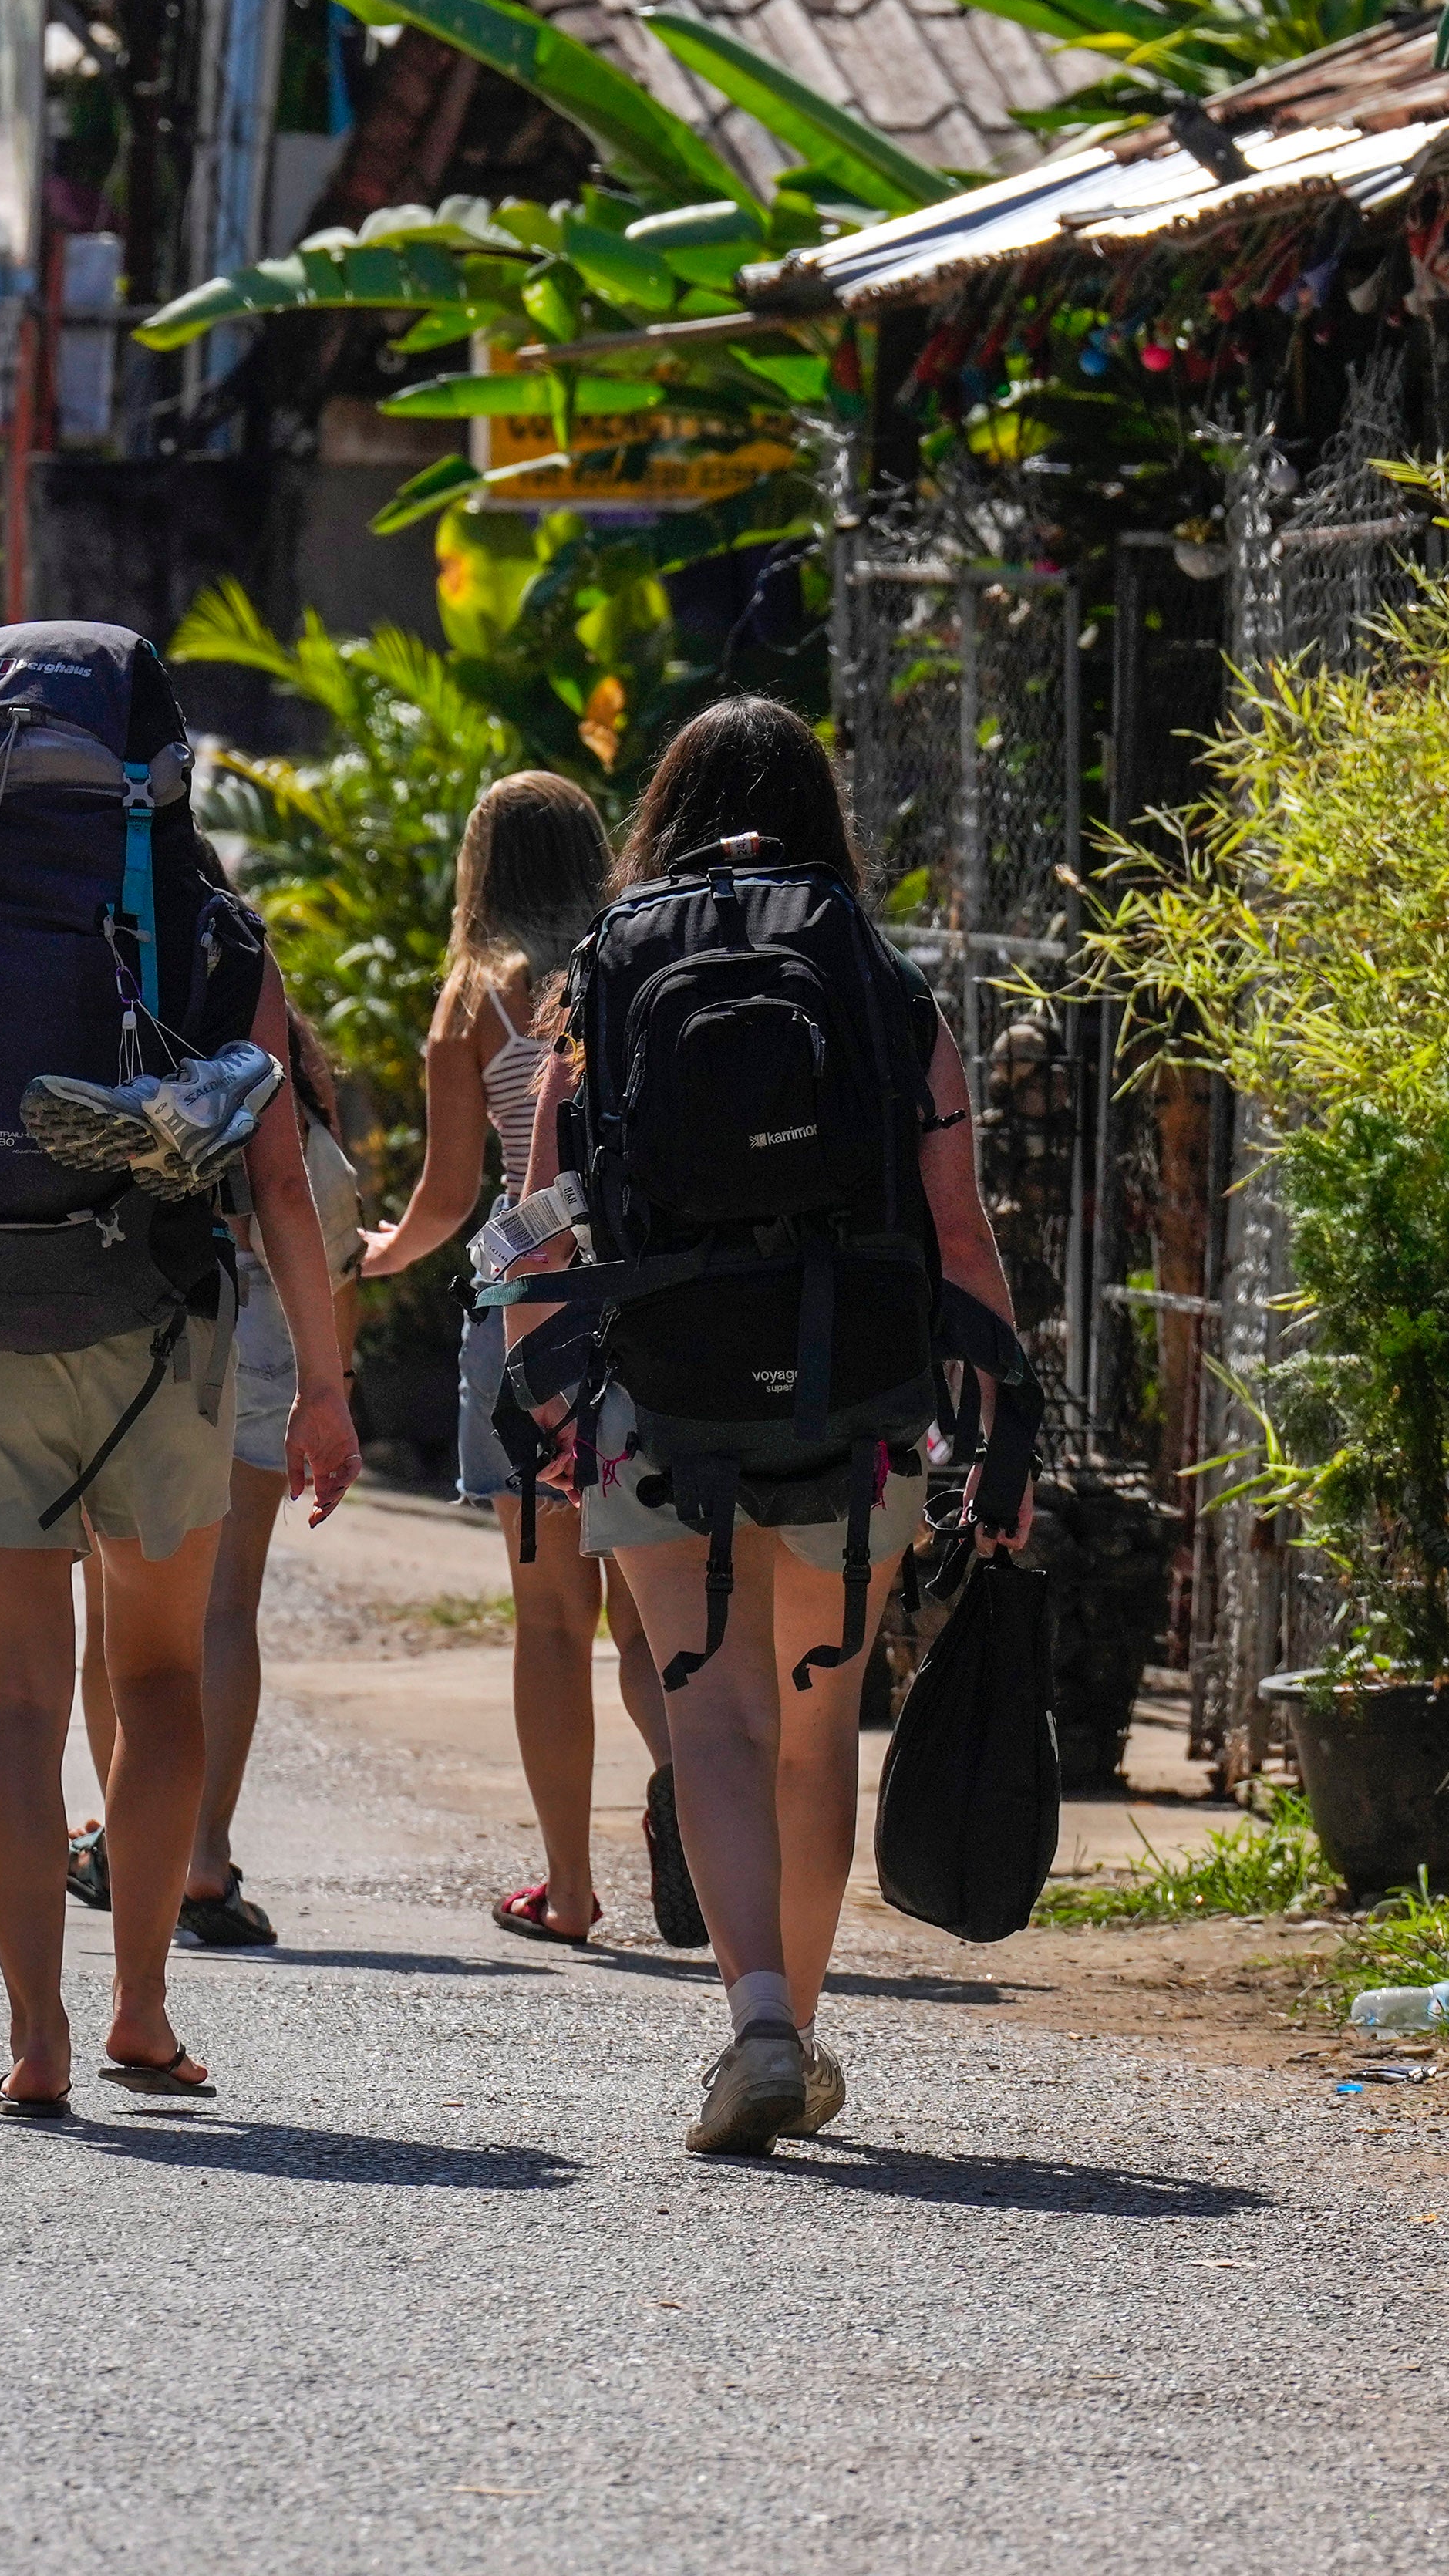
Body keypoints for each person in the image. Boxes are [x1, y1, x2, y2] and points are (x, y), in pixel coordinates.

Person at [0, 626, 361, 2116]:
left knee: (12, 1710)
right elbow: (283, 1186)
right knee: (162, 1673)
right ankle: (142, 2008)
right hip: (160, 1331)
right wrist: (321, 1383)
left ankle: (32, 2039)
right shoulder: (213, 928)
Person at [499, 696, 1024, 2155]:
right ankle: (804, 2018)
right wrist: (994, 1421)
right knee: (812, 1721)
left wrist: (543, 1398)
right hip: (855, 1396)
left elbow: (543, 1228)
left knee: (710, 1713)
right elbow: (959, 1230)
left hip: (661, 1393)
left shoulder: (601, 983)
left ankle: (759, 2026)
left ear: (660, 812)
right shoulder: (878, 981)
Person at [354, 768, 689, 1950]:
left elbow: (454, 1199)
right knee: (655, 1616)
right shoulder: (630, 961)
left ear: (481, 870)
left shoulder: (478, 999)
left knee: (552, 1624)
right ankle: (707, 1805)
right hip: (648, 1318)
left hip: (529, 1317)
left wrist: (369, 1258)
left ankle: (569, 1888)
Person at [69, 998, 359, 1947]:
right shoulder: (284, 1086)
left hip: (156, 1337)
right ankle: (202, 1856)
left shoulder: (116, 1035)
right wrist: (332, 1387)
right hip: (275, 1353)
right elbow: (329, 1241)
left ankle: (125, 1831)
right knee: (226, 1610)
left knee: (121, 1609)